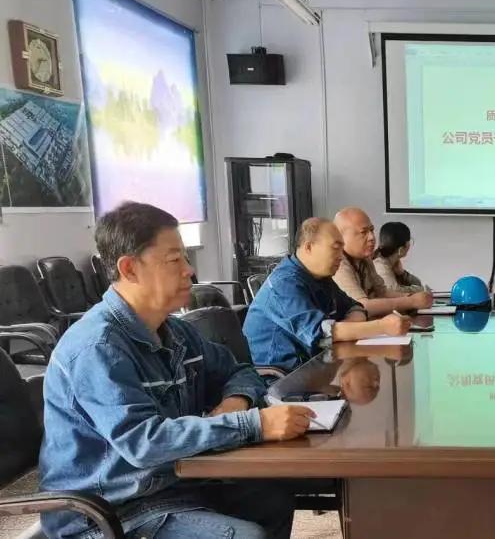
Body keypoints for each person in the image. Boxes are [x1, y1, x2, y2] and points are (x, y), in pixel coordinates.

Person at [38, 202, 315, 539]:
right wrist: (253, 424)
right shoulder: (97, 347)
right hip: (109, 512)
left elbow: (240, 371)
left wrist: (236, 401)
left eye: (185, 258)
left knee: (273, 496)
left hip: (173, 485)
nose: (189, 270)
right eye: (174, 260)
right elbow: (145, 443)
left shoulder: (176, 331)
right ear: (129, 268)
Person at [244, 218, 410, 371]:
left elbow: (355, 306)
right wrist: (381, 327)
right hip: (282, 378)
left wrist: (345, 327)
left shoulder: (320, 277)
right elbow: (322, 334)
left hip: (316, 366)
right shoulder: (284, 284)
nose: (341, 256)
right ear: (308, 247)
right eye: (336, 248)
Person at [332, 207, 434, 315]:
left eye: (372, 230)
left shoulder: (365, 258)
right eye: (363, 232)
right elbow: (362, 306)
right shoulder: (338, 264)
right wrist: (411, 301)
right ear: (341, 237)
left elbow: (382, 293)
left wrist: (413, 297)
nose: (372, 237)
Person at [373, 221, 425, 294]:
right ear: (401, 250)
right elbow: (395, 292)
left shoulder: (391, 263)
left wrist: (403, 274)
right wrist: (420, 290)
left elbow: (418, 283)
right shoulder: (381, 267)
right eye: (409, 241)